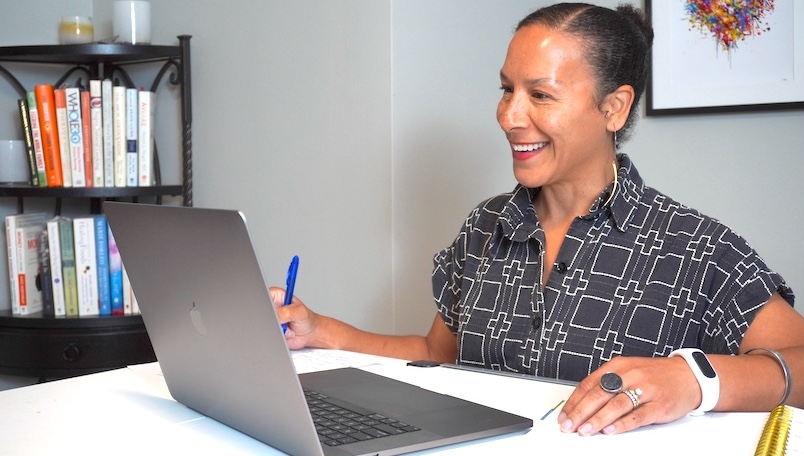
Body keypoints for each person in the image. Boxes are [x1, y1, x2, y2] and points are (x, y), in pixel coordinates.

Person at [272, 2, 804, 436]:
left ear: (614, 108)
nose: (509, 116)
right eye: (507, 89)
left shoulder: (694, 248)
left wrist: (697, 378)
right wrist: (319, 330)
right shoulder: (486, 226)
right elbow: (437, 354)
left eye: (540, 95)